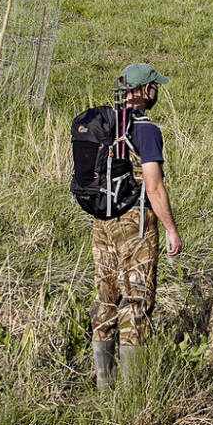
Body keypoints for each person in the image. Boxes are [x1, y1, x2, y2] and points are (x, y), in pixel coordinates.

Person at [90, 62, 183, 390]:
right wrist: (171, 228)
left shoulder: (105, 124)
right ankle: (131, 396)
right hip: (136, 223)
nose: (156, 91)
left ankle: (104, 389)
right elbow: (154, 187)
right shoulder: (146, 130)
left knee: (105, 298)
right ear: (144, 91)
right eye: (154, 86)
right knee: (136, 301)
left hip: (102, 220)